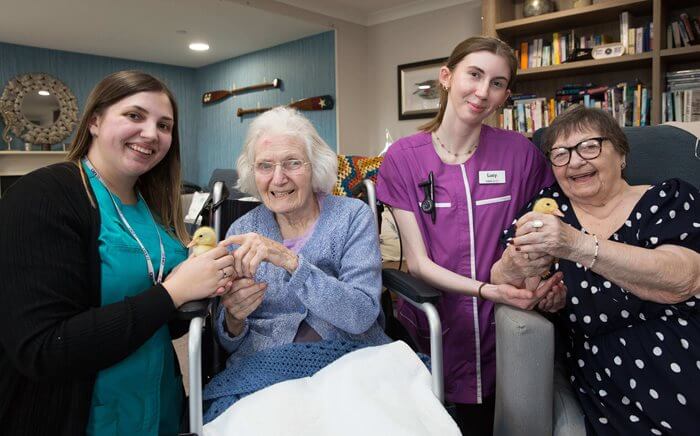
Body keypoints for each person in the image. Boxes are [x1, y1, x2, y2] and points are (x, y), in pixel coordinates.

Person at [0, 70, 236, 435]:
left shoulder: (154, 210)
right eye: (135, 116)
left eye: (164, 125)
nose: (151, 134)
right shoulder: (43, 196)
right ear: (94, 120)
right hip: (79, 416)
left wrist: (207, 291)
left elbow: (165, 323)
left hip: (157, 408)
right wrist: (174, 291)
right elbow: (42, 349)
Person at [375, 36, 566, 435]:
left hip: (508, 319)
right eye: (474, 75)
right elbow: (418, 264)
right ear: (447, 77)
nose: (482, 92)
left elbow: (544, 229)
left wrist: (540, 282)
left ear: (505, 96)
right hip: (437, 323)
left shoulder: (521, 153)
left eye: (497, 83)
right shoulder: (404, 159)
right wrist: (485, 290)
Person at [492, 105, 700, 435]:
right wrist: (518, 268)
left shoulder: (667, 198)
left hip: (684, 345)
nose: (574, 161)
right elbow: (502, 277)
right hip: (605, 367)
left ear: (621, 155)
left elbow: (682, 279)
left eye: (589, 146)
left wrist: (577, 245)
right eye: (560, 154)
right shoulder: (549, 207)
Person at [202, 107, 390, 421]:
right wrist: (233, 318)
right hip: (264, 368)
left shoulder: (352, 216)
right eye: (265, 166)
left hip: (347, 359)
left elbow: (361, 316)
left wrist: (289, 261)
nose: (279, 178)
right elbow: (229, 342)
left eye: (292, 163)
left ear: (314, 166)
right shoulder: (241, 231)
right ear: (253, 172)